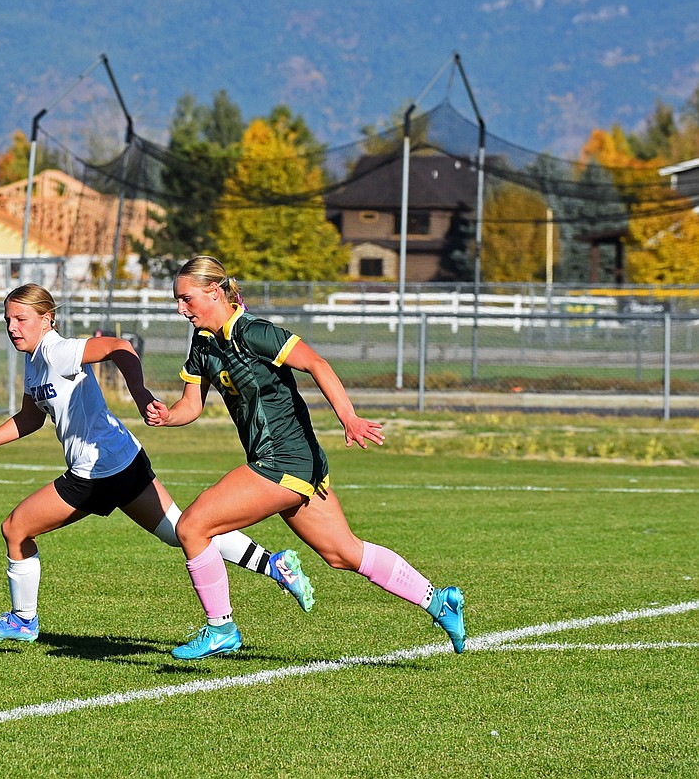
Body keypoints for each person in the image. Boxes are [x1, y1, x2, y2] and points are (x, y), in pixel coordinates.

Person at [0, 282, 313, 643]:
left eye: (21, 319)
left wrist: (140, 395)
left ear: (47, 320)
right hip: (123, 460)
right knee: (181, 532)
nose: (12, 328)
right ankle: (275, 565)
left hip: (96, 471)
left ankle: (23, 620)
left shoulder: (58, 351)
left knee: (15, 528)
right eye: (7, 320)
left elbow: (119, 347)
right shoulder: (34, 362)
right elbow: (31, 418)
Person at [145, 256, 466, 660]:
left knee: (192, 527)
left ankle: (221, 628)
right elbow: (191, 404)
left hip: (283, 460)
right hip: (294, 464)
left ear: (214, 292)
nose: (180, 309)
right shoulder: (204, 345)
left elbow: (316, 363)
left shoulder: (254, 332)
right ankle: (439, 601)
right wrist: (168, 416)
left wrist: (347, 417)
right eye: (177, 300)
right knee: (343, 553)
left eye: (186, 299)